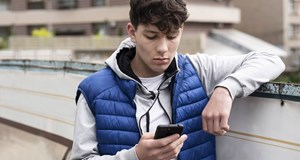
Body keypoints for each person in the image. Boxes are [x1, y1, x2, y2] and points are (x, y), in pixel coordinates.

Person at [71, 0, 285, 159]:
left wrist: (226, 89)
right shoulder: (93, 90)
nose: (163, 49)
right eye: (152, 36)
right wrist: (135, 156)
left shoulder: (198, 68)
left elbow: (271, 60)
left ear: (181, 30)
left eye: (172, 36)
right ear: (132, 32)